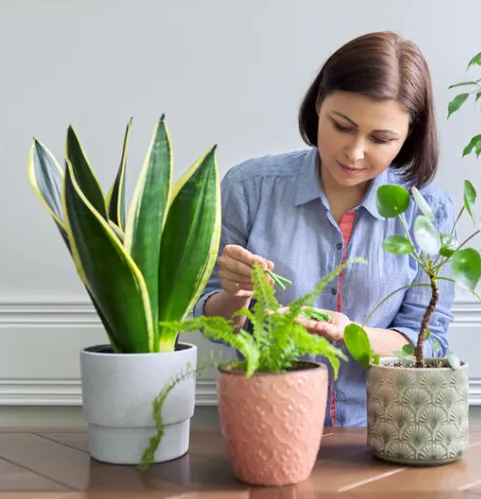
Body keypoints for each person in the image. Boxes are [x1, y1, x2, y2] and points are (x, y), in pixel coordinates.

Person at [192, 31, 455, 427]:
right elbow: (212, 325)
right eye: (342, 126)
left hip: (381, 434)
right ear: (318, 105)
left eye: (381, 138)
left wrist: (350, 334)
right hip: (266, 424)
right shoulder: (250, 188)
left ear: (409, 137)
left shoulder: (427, 211)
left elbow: (428, 341)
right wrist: (237, 294)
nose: (355, 152)